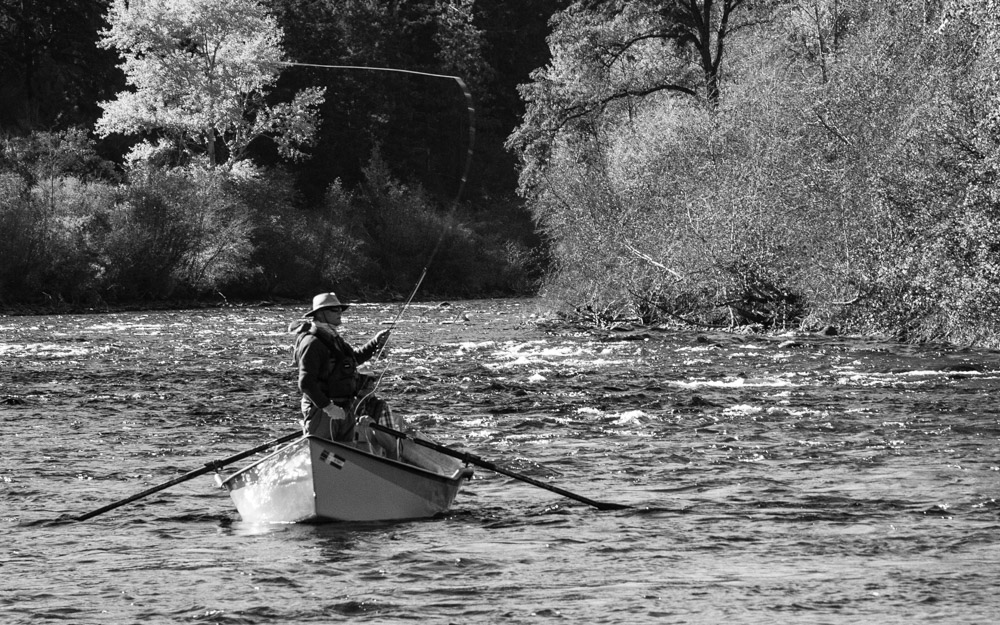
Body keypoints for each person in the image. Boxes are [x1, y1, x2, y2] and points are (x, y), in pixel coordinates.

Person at [289, 292, 391, 442]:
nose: (339, 313)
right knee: (322, 453)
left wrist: (375, 342)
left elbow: (352, 359)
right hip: (323, 411)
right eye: (334, 310)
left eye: (340, 310)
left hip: (345, 409)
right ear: (321, 313)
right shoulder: (312, 343)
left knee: (344, 457)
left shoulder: (333, 338)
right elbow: (305, 383)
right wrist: (328, 408)